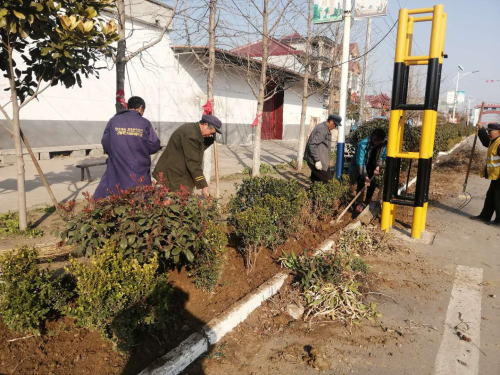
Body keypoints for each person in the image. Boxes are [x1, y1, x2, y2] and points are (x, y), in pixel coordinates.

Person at [94, 96, 161, 199]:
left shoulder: (113, 120)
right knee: (139, 197)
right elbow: (154, 145)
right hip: (139, 167)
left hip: (117, 165)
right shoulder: (144, 123)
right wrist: (142, 151)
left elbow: (106, 143)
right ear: (140, 107)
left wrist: (115, 153)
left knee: (114, 193)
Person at [153, 114, 222, 198]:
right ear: (205, 125)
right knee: (178, 201)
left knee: (178, 200)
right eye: (210, 133)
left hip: (178, 170)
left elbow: (198, 147)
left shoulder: (193, 129)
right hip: (174, 174)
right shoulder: (191, 136)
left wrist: (210, 139)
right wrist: (203, 185)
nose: (210, 135)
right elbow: (193, 162)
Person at [350, 128, 387, 214]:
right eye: (375, 140)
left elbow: (382, 157)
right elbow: (360, 161)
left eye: (378, 141)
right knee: (361, 182)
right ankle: (358, 203)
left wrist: (378, 166)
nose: (376, 142)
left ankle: (368, 199)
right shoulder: (363, 144)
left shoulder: (384, 144)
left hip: (373, 164)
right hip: (362, 165)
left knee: (372, 182)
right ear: (372, 137)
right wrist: (365, 176)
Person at [470, 123, 500, 226]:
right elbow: (486, 142)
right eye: (488, 131)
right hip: (496, 176)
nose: (489, 133)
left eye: (490, 131)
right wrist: (481, 130)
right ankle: (485, 216)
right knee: (491, 195)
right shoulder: (494, 141)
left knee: (498, 197)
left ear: (498, 132)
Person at [304, 114, 342, 183]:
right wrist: (317, 160)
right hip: (316, 161)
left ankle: (313, 192)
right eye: (334, 125)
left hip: (320, 160)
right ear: (331, 121)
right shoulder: (322, 129)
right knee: (328, 181)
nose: (334, 127)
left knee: (316, 180)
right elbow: (312, 145)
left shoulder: (325, 128)